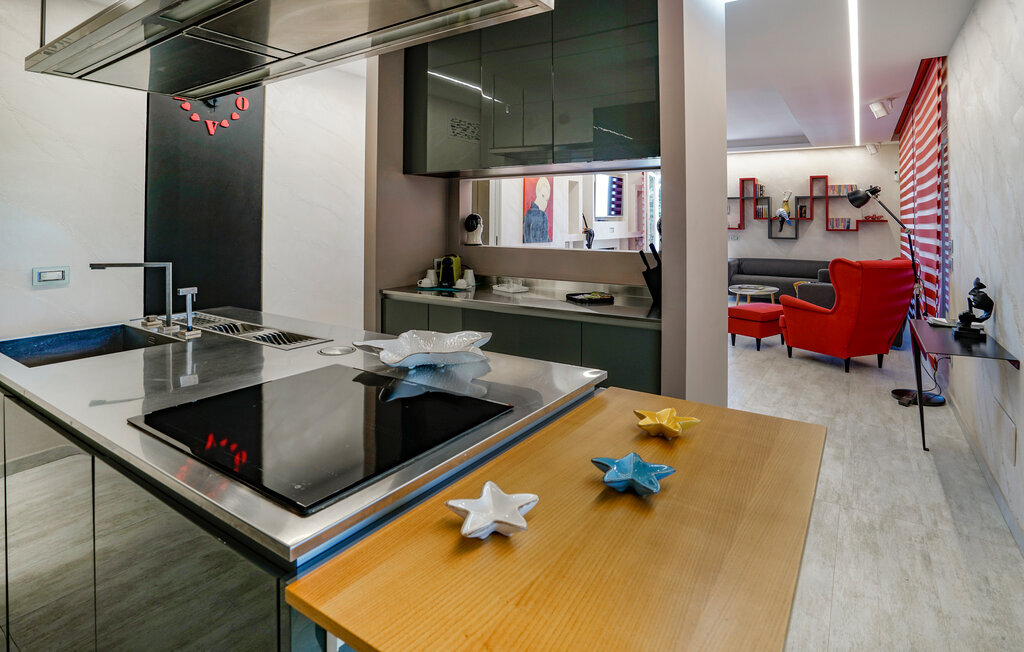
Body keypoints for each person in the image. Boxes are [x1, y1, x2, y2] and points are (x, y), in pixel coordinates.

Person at [523, 177, 551, 243]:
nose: (544, 202)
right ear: (537, 192)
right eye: (543, 196)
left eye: (547, 200)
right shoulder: (543, 215)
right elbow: (545, 241)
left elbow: (525, 238)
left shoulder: (527, 214)